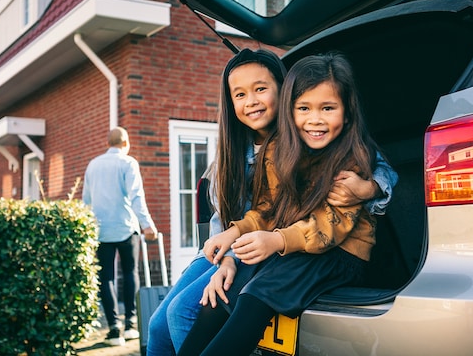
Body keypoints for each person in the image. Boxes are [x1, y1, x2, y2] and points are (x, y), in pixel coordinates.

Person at [146, 49, 395, 355]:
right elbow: (268, 208)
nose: (314, 119)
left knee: (251, 298)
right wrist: (233, 234)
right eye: (304, 108)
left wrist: (369, 188)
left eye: (328, 108)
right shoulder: (277, 149)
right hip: (277, 244)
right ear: (292, 109)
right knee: (212, 301)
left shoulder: (349, 159)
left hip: (331, 251)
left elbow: (328, 227)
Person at [83, 126, 158, 347]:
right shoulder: (128, 163)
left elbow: (86, 200)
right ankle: (131, 325)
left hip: (101, 230)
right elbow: (136, 197)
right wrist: (148, 225)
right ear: (125, 143)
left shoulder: (93, 165)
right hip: (126, 228)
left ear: (109, 143)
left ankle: (114, 329)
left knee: (105, 277)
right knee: (130, 272)